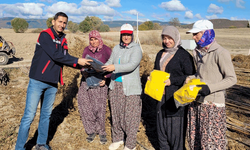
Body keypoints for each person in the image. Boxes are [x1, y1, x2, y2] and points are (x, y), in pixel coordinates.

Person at [15, 12, 92, 150]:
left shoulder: (63, 39)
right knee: (29, 116)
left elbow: (65, 57)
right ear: (53, 21)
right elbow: (55, 55)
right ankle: (19, 147)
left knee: (46, 115)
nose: (62, 25)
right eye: (60, 22)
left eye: (64, 23)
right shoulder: (45, 35)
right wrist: (76, 60)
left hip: (52, 83)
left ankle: (41, 144)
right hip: (38, 80)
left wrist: (81, 65)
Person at [185, 20, 237, 150]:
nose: (193, 37)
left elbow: (231, 79)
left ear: (207, 33)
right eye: (193, 34)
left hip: (213, 105)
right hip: (197, 102)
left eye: (196, 34)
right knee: (196, 139)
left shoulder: (221, 53)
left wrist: (209, 88)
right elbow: (200, 75)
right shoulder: (197, 52)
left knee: (212, 142)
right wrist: (190, 78)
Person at [152, 26, 196, 150]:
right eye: (164, 38)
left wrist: (172, 81)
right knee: (162, 130)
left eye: (170, 38)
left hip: (175, 99)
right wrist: (152, 77)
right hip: (160, 96)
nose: (167, 41)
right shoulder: (160, 53)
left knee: (175, 132)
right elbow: (156, 71)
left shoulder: (184, 55)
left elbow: (190, 76)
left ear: (176, 38)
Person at [102, 23, 142, 150]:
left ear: (132, 35)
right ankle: (118, 139)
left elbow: (131, 65)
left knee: (130, 116)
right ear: (121, 35)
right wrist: (103, 67)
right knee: (116, 114)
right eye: (124, 34)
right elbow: (110, 62)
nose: (126, 37)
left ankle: (130, 145)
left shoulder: (136, 49)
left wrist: (114, 67)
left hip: (130, 87)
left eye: (128, 35)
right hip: (115, 86)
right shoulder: (116, 48)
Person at [77, 30, 112, 144]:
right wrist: (83, 71)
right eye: (91, 39)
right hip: (87, 80)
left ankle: (101, 132)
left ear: (99, 39)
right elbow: (82, 64)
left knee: (99, 109)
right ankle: (91, 131)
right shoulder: (86, 50)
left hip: (100, 81)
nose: (93, 42)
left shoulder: (106, 50)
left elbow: (113, 65)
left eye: (95, 39)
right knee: (85, 106)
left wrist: (106, 78)